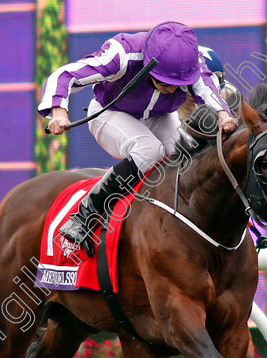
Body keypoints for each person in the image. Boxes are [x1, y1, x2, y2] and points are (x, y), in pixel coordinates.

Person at [39, 21, 237, 254]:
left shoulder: (191, 63)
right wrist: (59, 112)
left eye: (178, 85)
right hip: (109, 114)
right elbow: (64, 75)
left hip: (158, 115)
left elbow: (206, 87)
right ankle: (85, 216)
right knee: (149, 150)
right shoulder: (122, 53)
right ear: (147, 64)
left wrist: (225, 116)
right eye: (164, 82)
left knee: (187, 152)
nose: (172, 90)